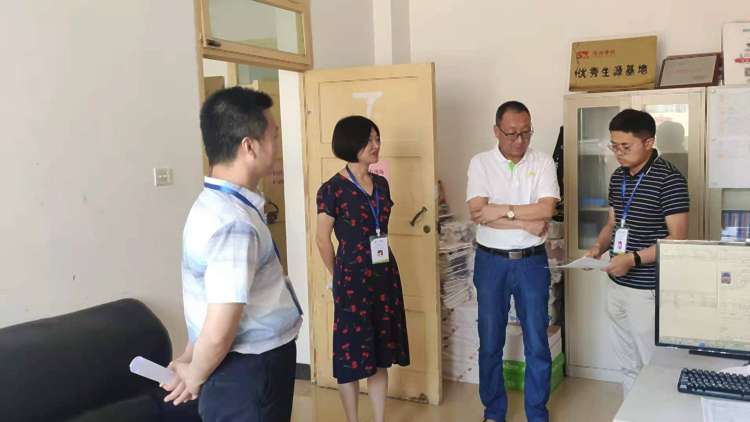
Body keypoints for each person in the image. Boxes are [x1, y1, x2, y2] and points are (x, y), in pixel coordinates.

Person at [163, 87, 303, 422]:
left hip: (241, 368)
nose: (277, 146)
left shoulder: (212, 205)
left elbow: (209, 301)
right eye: (274, 136)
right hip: (250, 371)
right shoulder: (234, 223)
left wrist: (190, 356)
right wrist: (193, 376)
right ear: (249, 146)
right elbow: (220, 329)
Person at [584, 109, 689, 398]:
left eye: (625, 146)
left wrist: (633, 259)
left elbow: (678, 238)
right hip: (616, 283)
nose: (618, 153)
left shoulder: (669, 179)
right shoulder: (618, 176)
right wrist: (597, 248)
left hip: (647, 291)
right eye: (614, 146)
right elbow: (612, 224)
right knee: (627, 363)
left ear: (649, 142)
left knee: (653, 365)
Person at [468, 101, 560, 422]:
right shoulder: (481, 163)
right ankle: (494, 412)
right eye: (512, 134)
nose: (520, 140)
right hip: (491, 262)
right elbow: (478, 212)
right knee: (490, 341)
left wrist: (501, 211)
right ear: (497, 131)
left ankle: (536, 413)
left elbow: (546, 209)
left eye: (526, 133)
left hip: (531, 263)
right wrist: (523, 221)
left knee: (537, 341)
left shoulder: (543, 161)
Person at [315, 116, 410, 422]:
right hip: (351, 278)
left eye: (377, 138)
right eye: (369, 140)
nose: (376, 145)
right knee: (351, 355)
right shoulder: (332, 189)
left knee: (380, 353)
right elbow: (322, 240)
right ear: (349, 142)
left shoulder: (380, 183)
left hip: (383, 274)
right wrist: (337, 276)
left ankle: (379, 419)